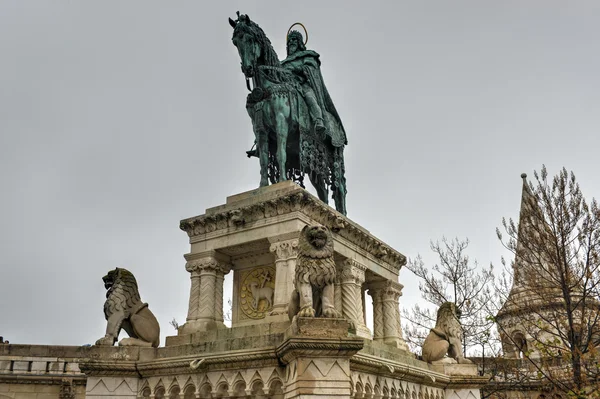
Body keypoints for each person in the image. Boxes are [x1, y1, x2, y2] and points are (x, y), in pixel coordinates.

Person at [281, 31, 346, 146]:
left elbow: (311, 69)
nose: (291, 42)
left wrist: (298, 69)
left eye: (294, 40)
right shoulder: (282, 63)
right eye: (289, 41)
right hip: (286, 86)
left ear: (300, 43)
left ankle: (319, 121)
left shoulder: (307, 56)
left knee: (310, 97)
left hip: (303, 85)